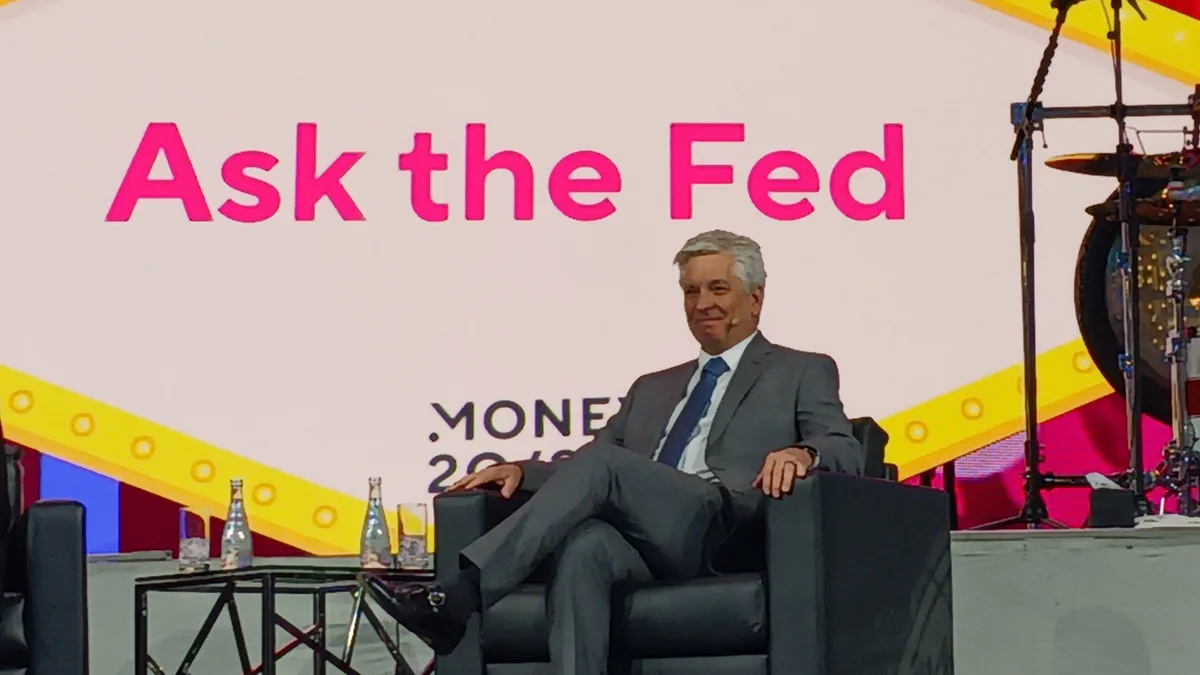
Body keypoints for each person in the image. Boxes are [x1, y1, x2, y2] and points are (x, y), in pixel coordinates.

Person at [369, 230, 863, 673]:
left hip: (723, 530)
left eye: (718, 288)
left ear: (755, 299)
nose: (702, 302)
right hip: (646, 540)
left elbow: (844, 446)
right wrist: (520, 469)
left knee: (608, 474)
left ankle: (463, 594)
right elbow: (588, 464)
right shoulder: (653, 388)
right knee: (585, 547)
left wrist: (802, 453)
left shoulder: (802, 370)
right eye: (691, 291)